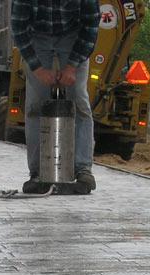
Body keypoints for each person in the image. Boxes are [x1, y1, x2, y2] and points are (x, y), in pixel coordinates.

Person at [11, 0, 100, 193]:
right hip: (37, 37)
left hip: (73, 36)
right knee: (36, 105)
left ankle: (83, 170)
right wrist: (38, 69)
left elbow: (91, 26)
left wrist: (72, 66)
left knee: (79, 101)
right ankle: (37, 173)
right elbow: (18, 29)